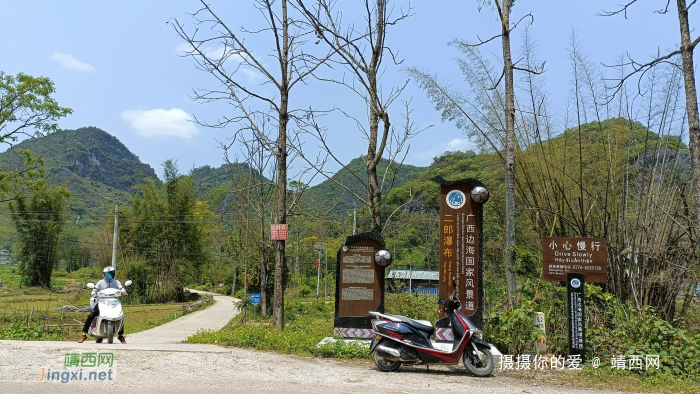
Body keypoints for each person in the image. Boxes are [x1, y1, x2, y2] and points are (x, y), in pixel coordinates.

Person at [78, 266, 127, 344]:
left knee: (120, 315)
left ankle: (121, 335)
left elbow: (121, 288)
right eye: (107, 274)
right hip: (102, 302)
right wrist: (93, 294)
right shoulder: (100, 282)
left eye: (111, 273)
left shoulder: (116, 282)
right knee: (92, 314)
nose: (109, 275)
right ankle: (84, 334)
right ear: (104, 274)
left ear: (114, 273)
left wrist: (123, 292)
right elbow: (94, 290)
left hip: (114, 302)